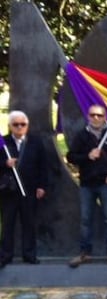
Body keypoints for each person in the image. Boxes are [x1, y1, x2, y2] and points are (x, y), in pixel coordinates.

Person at [66, 104, 107, 268]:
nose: (96, 118)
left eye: (99, 115)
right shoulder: (82, 135)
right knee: (85, 219)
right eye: (93, 115)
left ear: (105, 117)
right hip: (87, 184)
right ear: (88, 116)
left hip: (106, 184)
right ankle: (84, 252)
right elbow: (71, 156)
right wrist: (87, 156)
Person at [0, 110, 48, 268]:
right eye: (16, 124)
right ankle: (6, 255)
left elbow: (43, 166)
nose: (19, 127)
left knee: (29, 223)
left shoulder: (36, 142)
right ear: (10, 126)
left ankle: (29, 254)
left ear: (27, 125)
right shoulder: (4, 143)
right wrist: (5, 164)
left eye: (23, 124)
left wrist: (42, 186)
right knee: (8, 224)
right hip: (9, 191)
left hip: (30, 190)